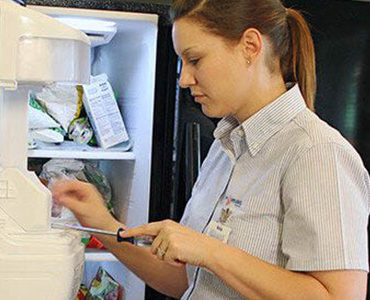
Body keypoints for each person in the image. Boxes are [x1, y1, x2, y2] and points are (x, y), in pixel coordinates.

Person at [51, 0, 370, 298]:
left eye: (195, 60)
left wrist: (210, 251)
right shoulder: (225, 147)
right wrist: (103, 223)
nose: (184, 79)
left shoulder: (315, 152)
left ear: (250, 46)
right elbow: (185, 280)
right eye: (181, 62)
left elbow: (339, 295)